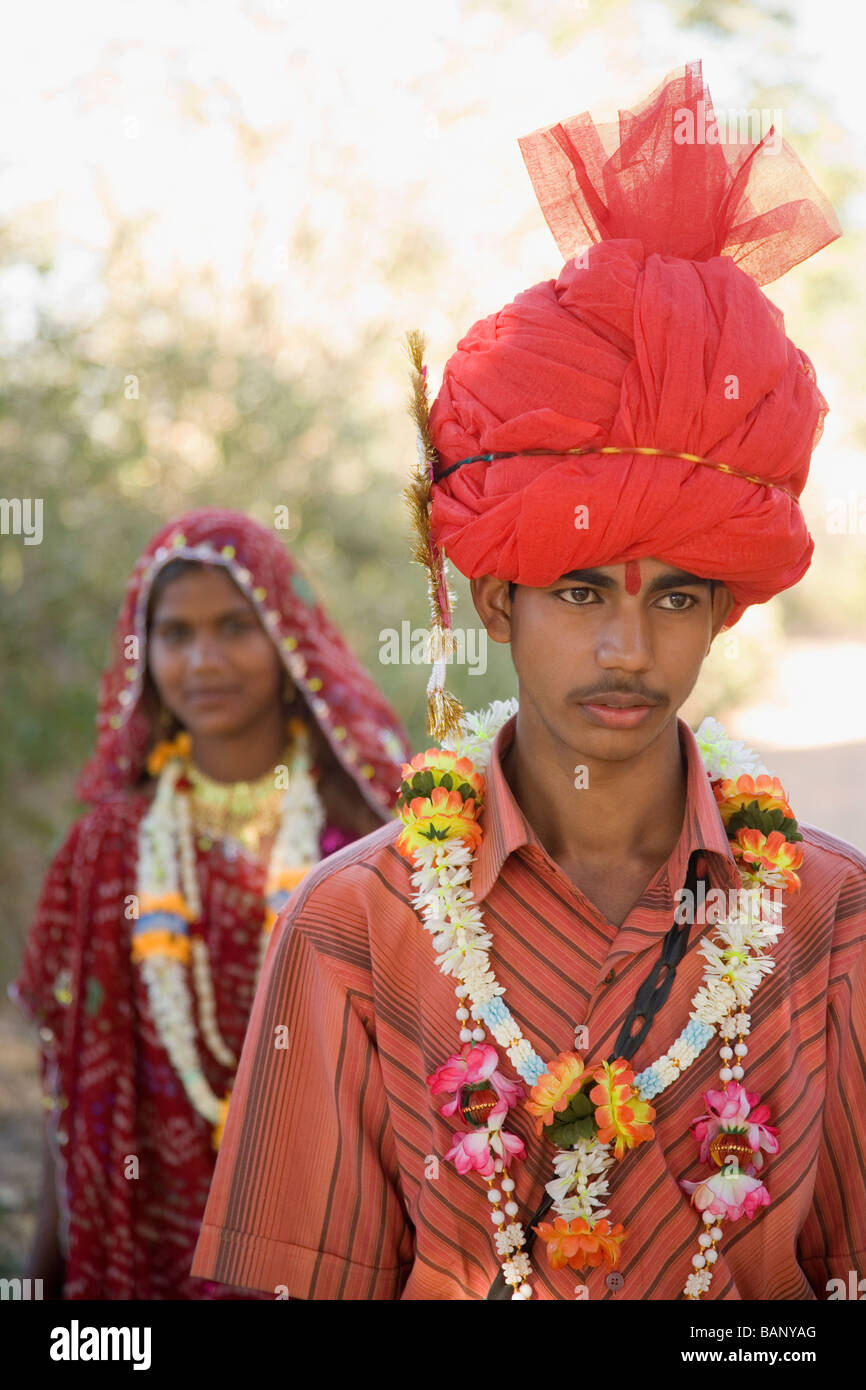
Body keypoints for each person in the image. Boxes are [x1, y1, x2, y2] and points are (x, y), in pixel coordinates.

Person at [191, 64, 865, 1301]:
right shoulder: (357, 926)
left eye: (673, 595)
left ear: (721, 607)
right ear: (499, 597)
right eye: (579, 591)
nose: (627, 648)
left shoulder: (829, 918)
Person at [11, 507, 409, 1299]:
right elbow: (73, 1088)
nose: (204, 661)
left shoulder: (368, 836)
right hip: (148, 1233)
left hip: (326, 1223)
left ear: (288, 639)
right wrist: (43, 1273)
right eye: (176, 634)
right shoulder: (107, 851)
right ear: (143, 651)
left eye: (235, 627)